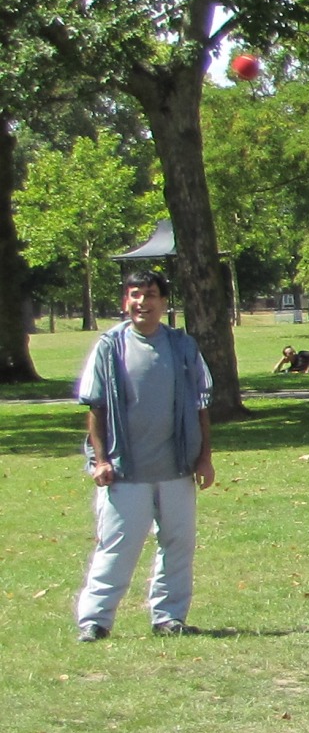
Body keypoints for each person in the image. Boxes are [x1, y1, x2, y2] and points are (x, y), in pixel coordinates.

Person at [73, 269, 215, 641]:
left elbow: (201, 404)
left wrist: (204, 458)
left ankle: (169, 618)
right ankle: (95, 620)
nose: (142, 302)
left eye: (150, 295)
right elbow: (96, 406)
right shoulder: (109, 347)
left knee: (178, 544)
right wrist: (100, 460)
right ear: (125, 302)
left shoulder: (182, 347)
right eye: (135, 295)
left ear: (163, 303)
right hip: (125, 471)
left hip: (176, 468)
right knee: (117, 547)